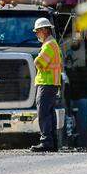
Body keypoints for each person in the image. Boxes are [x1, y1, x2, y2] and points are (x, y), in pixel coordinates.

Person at [29, 17, 63, 152]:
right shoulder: (53, 44)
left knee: (43, 113)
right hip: (51, 83)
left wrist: (36, 60)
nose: (37, 34)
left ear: (44, 30)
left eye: (37, 31)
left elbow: (39, 62)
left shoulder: (49, 45)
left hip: (46, 83)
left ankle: (46, 142)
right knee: (50, 113)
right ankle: (52, 142)